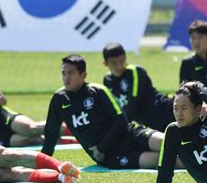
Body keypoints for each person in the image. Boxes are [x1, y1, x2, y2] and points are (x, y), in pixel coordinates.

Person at [43, 54, 176, 169]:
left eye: (71, 73)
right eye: (63, 73)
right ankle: (194, 161)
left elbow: (121, 120)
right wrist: (44, 161)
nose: (66, 77)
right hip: (111, 156)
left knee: (166, 142)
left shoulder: (97, 91)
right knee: (162, 160)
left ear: (83, 75)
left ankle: (196, 153)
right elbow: (51, 132)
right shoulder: (59, 99)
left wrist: (101, 147)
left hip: (131, 135)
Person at [102, 42, 174, 132]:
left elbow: (132, 105)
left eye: (122, 60)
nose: (119, 66)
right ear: (105, 63)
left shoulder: (135, 71)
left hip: (166, 112)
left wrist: (117, 128)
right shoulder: (107, 80)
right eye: (114, 63)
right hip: (151, 125)